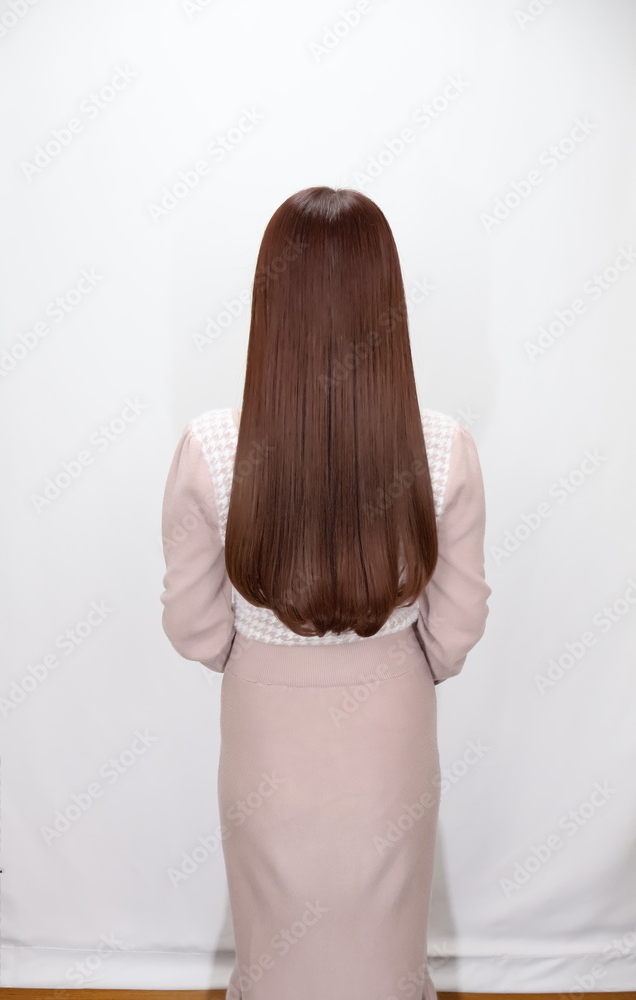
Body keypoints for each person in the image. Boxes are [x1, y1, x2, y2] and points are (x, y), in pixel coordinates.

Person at [160, 186, 491, 1000]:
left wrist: (257, 654)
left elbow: (192, 625)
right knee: (385, 937)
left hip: (262, 720)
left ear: (270, 303)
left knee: (273, 935)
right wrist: (399, 663)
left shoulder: (210, 446)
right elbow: (456, 623)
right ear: (388, 305)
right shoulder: (444, 448)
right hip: (391, 715)